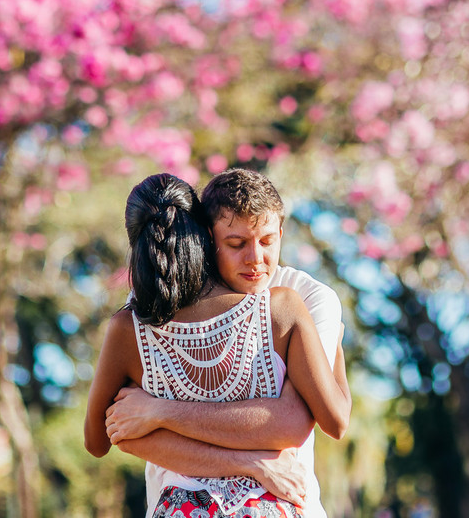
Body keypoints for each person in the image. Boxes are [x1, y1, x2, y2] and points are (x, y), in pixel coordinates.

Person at [84, 173, 349, 517]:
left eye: (267, 241)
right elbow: (320, 420)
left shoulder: (310, 298)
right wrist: (252, 465)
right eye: (237, 244)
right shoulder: (284, 307)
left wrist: (157, 412)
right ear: (208, 239)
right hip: (270, 504)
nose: (255, 258)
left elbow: (110, 434)